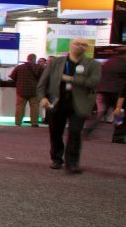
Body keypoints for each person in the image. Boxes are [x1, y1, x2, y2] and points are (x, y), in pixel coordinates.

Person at [38, 39, 100, 174]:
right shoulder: (55, 62)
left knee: (75, 132)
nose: (81, 46)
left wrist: (72, 79)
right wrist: (42, 97)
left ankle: (72, 162)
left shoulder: (93, 64)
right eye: (78, 44)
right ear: (70, 46)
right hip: (57, 102)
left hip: (79, 103)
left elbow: (94, 82)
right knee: (55, 132)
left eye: (84, 45)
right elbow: (43, 81)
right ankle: (56, 158)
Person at [85, 45, 126, 138]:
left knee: (103, 112)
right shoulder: (123, 63)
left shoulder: (109, 61)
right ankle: (118, 135)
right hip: (116, 91)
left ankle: (88, 129)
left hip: (103, 90)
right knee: (118, 112)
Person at [9, 53, 43, 127]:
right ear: (35, 59)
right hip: (34, 91)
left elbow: (12, 77)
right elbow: (43, 79)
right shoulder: (39, 67)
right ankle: (34, 123)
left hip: (21, 90)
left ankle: (18, 122)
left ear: (27, 59)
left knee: (20, 107)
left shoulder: (19, 67)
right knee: (34, 107)